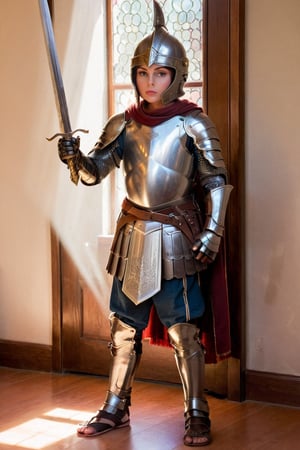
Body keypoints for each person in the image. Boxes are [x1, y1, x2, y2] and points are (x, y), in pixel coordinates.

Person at [58, 1, 232, 446]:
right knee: (123, 330)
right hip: (134, 235)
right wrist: (76, 158)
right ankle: (116, 405)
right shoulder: (123, 124)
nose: (150, 82)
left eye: (160, 73)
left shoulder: (195, 124)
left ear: (176, 75)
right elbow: (96, 170)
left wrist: (213, 232)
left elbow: (216, 182)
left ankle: (196, 411)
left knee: (184, 331)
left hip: (177, 237)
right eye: (142, 73)